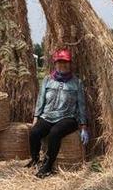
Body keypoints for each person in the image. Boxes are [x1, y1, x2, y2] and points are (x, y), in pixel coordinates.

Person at [26, 48, 88, 178]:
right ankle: (35, 159)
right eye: (59, 62)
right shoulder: (48, 80)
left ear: (70, 64)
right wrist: (36, 117)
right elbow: (40, 99)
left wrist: (83, 126)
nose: (62, 65)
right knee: (34, 132)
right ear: (55, 64)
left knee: (55, 133)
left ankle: (48, 166)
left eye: (65, 62)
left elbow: (81, 105)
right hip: (48, 116)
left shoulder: (77, 82)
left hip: (68, 118)